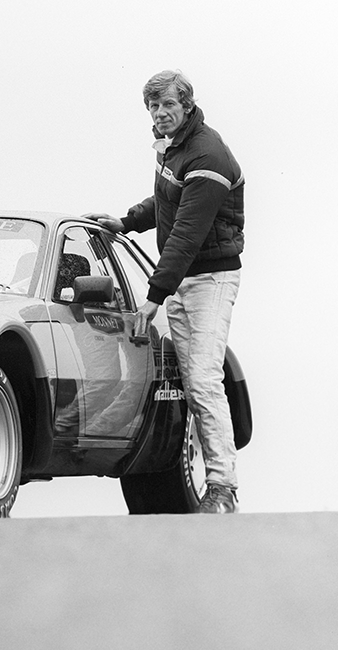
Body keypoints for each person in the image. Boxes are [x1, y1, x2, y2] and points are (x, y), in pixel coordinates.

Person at [86, 70, 244, 514]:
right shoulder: (174, 147)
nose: (159, 113)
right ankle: (215, 482)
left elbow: (186, 234)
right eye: (153, 107)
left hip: (211, 281)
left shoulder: (207, 154)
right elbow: (166, 201)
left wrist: (153, 297)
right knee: (193, 384)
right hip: (182, 281)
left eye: (168, 105)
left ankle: (223, 487)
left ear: (187, 106)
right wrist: (127, 222)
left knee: (204, 381)